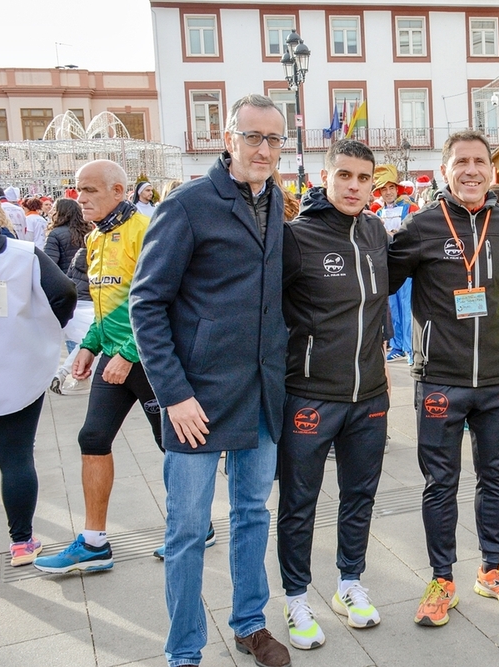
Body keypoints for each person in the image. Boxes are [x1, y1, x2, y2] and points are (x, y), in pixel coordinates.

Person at [130, 93, 291, 667]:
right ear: (228, 139)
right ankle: (184, 650)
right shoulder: (189, 204)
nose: (264, 149)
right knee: (188, 530)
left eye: (274, 138)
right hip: (196, 399)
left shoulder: (278, 203)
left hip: (262, 396)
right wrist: (173, 394)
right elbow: (146, 304)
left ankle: (250, 623)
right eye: (253, 137)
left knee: (252, 515)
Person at [388, 130, 499, 627]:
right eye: (462, 162)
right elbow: (377, 283)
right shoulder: (419, 226)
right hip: (440, 378)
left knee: (494, 478)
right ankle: (442, 578)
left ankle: (492, 569)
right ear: (445, 169)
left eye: (480, 162)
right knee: (441, 483)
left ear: (493, 172)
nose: (472, 170)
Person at [276, 139, 388, 650]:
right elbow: (265, 313)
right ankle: (296, 598)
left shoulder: (374, 231)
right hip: (310, 396)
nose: (354, 186)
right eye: (344, 175)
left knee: (359, 496)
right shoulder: (296, 238)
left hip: (370, 395)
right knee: (299, 503)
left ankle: (349, 583)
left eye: (363, 178)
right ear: (326, 176)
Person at [33, 161, 166, 576]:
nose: (81, 198)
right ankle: (94, 543)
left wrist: (128, 351)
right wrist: (89, 347)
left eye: (90, 190)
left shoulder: (144, 231)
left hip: (149, 357)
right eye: (78, 190)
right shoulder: (94, 238)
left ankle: (192, 527)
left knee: (175, 448)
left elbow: (162, 298)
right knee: (92, 437)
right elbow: (108, 307)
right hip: (114, 354)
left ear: (118, 190)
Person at [0, 216, 76, 566]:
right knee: (16, 458)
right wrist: (44, 324)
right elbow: (65, 293)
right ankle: (22, 543)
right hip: (16, 371)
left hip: (14, 371)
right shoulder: (24, 255)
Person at [45, 198, 96, 394]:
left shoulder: (56, 234)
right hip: (94, 291)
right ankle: (76, 374)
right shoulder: (90, 232)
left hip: (71, 291)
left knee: (77, 339)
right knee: (88, 338)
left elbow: (49, 264)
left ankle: (75, 375)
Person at [372, 164, 419, 364]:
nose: (389, 192)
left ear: (397, 189)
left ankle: (410, 348)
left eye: (391, 187)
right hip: (387, 264)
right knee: (393, 308)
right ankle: (398, 345)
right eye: (384, 189)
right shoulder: (377, 213)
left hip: (406, 264)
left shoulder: (410, 208)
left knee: (407, 306)